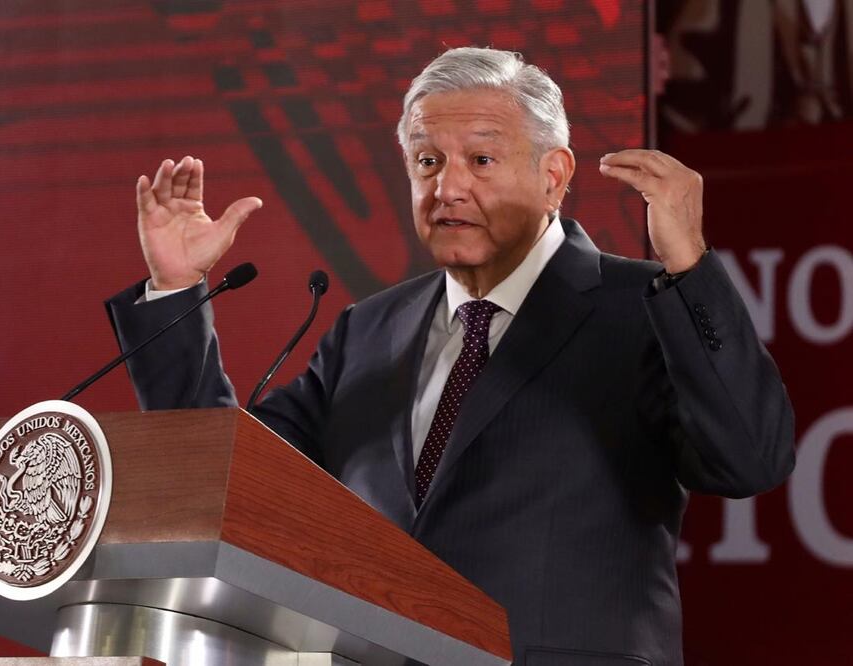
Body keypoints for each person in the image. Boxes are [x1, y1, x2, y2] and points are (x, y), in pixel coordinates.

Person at [107, 47, 794, 665]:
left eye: (481, 159)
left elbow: (749, 459)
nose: (447, 188)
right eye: (426, 161)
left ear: (553, 176)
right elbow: (228, 482)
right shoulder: (367, 330)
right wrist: (174, 289)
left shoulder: (643, 305)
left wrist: (688, 265)